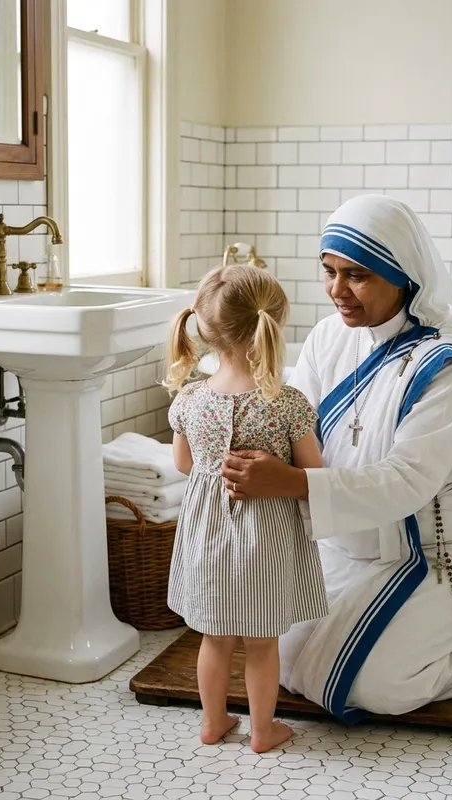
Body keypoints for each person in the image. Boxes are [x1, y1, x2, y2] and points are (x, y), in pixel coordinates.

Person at [221, 194, 452, 721]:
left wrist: (287, 484)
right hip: (349, 543)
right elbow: (295, 425)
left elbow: (406, 481)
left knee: (381, 687)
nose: (337, 292)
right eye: (329, 272)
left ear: (402, 275)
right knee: (286, 657)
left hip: (433, 555)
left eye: (356, 275)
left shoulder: (445, 365)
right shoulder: (331, 337)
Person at [163, 264, 328, 753]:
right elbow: (312, 473)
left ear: (206, 331)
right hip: (267, 539)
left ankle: (213, 723)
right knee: (262, 642)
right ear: (271, 326)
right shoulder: (288, 404)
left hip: (208, 535)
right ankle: (262, 731)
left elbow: (182, 463)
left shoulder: (191, 399)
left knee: (214, 640)